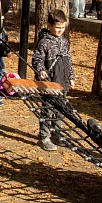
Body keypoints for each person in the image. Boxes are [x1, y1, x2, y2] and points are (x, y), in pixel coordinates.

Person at [32, 10, 73, 151]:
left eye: (63, 28)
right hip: (49, 81)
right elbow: (37, 59)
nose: (60, 30)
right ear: (50, 25)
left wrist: (71, 76)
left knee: (60, 109)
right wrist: (41, 70)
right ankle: (44, 136)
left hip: (63, 81)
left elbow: (69, 61)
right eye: (57, 27)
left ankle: (57, 132)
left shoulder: (65, 42)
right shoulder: (44, 42)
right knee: (47, 109)